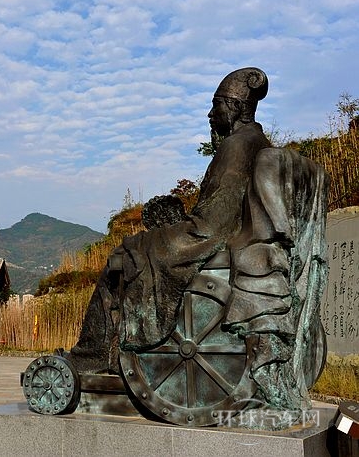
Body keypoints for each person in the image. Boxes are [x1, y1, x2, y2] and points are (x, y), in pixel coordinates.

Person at [67, 68, 327, 412]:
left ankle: (93, 355)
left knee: (124, 257)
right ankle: (106, 353)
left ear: (235, 107)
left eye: (216, 105)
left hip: (210, 238)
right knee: (134, 251)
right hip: (226, 236)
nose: (210, 114)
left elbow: (213, 224)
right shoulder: (257, 143)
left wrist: (156, 238)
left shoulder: (237, 146)